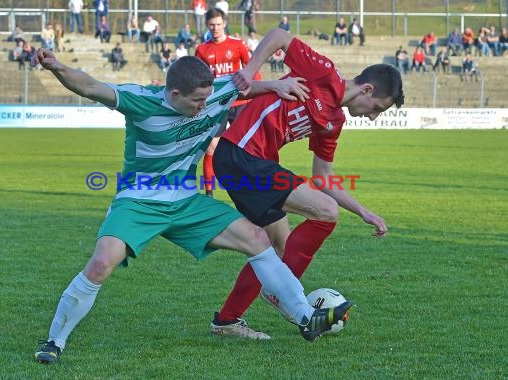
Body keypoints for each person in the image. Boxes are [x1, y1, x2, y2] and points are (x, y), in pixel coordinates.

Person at [32, 49, 352, 364]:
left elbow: (242, 87)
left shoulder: (214, 93)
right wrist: (57, 67)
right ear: (174, 93)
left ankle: (307, 318)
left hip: (186, 201)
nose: (205, 106)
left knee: (257, 239)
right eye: (197, 100)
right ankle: (54, 341)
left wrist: (274, 85)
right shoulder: (140, 100)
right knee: (102, 263)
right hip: (140, 199)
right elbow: (89, 86)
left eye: (207, 98)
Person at [209, 28, 403, 337]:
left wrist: (363, 211)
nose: (372, 117)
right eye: (377, 109)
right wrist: (249, 70)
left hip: (253, 164)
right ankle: (283, 295)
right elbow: (279, 36)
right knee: (325, 211)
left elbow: (323, 177)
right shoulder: (323, 72)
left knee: (276, 247)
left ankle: (227, 321)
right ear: (367, 90)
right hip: (240, 154)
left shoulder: (335, 123)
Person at [195, 7, 258, 196]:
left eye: (218, 25)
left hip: (240, 104)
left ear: (225, 24)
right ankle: (209, 194)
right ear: (207, 25)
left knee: (246, 149)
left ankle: (247, 189)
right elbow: (198, 78)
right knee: (210, 149)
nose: (215, 28)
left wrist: (255, 93)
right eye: (212, 25)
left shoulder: (238, 45)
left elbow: (252, 69)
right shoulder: (202, 50)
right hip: (217, 105)